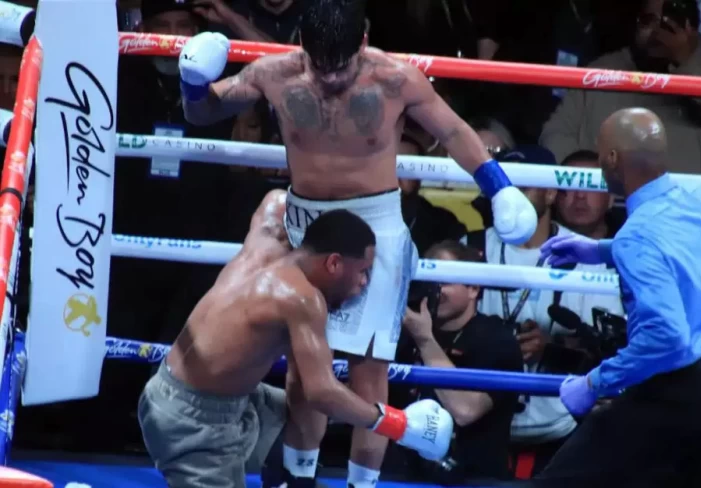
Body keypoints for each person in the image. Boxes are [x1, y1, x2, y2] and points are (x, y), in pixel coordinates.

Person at [177, 0, 537, 485]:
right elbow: (203, 113)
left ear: (363, 42)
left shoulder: (396, 80)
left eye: (340, 65)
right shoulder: (273, 73)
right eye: (319, 64)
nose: (329, 77)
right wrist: (193, 81)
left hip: (375, 231)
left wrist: (498, 186)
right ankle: (299, 479)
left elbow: (452, 129)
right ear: (301, 44)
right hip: (306, 229)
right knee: (304, 370)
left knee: (369, 372)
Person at [138, 189, 454, 488]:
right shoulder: (301, 299)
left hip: (201, 392)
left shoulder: (266, 239)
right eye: (362, 271)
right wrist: (399, 424)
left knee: (305, 411)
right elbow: (322, 392)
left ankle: (290, 479)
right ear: (333, 262)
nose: (363, 283)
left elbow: (277, 199)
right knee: (324, 401)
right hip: (192, 423)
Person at [529, 108, 701, 488]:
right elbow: (680, 252)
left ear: (611, 159)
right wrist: (600, 250)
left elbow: (667, 338)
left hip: (683, 386)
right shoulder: (699, 198)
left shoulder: (636, 236)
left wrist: (594, 383)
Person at [462, 146, 624, 479]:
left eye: (522, 186)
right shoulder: (470, 247)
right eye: (501, 186)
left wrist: (553, 346)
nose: (510, 196)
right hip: (478, 420)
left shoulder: (586, 255)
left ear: (551, 193)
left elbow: (612, 345)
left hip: (561, 426)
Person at [540, 0, 701, 176]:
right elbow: (555, 134)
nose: (657, 31)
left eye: (669, 21)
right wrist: (590, 180)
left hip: (690, 200)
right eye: (648, 20)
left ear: (692, 29)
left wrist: (686, 61)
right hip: (608, 199)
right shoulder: (601, 72)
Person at [389, 240, 523, 485]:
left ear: (473, 288)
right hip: (403, 475)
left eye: (444, 282)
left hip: (472, 479)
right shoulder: (403, 334)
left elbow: (466, 411)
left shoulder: (497, 340)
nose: (435, 290)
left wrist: (425, 340)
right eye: (429, 282)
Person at [554, 150, 620, 239]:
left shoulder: (630, 240)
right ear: (554, 194)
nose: (580, 195)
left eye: (591, 185)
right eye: (570, 184)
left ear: (611, 198)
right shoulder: (539, 240)